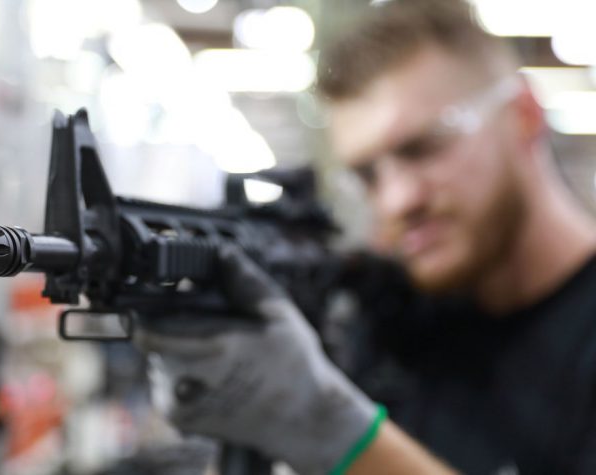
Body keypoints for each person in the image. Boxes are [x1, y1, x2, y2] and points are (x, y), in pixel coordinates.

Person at [134, 0, 596, 473]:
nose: (397, 201)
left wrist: (325, 425)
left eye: (424, 148)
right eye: (367, 175)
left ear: (523, 115)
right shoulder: (403, 324)